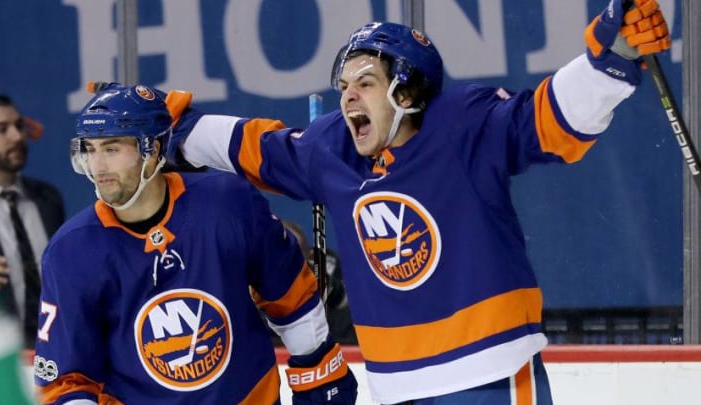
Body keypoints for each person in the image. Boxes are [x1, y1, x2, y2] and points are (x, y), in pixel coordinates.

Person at [163, 0, 670, 403]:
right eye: (344, 86)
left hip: (490, 371)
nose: (348, 98)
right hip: (396, 385)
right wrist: (170, 127)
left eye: (366, 84)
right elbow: (257, 147)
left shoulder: (463, 126)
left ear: (406, 92)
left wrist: (612, 58)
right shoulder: (331, 149)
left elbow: (545, 118)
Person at [33, 83, 357, 404]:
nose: (98, 167)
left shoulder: (226, 203)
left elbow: (289, 294)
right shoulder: (71, 251)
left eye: (113, 148)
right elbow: (66, 380)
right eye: (90, 149)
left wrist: (317, 370)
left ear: (154, 150)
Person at [0, 92, 65, 349]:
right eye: (1, 129)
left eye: (19, 126)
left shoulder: (47, 198)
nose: (17, 136)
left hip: (54, 350)